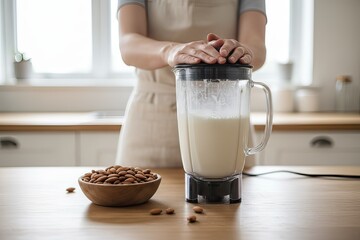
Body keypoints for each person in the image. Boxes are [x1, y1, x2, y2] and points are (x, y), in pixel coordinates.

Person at [115, 0, 267, 168]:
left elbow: (257, 47)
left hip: (226, 114)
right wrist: (169, 51)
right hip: (151, 120)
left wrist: (243, 52)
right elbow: (128, 44)